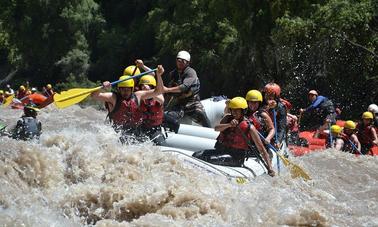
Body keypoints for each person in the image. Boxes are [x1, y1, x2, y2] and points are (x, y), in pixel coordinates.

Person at [192, 97, 275, 176]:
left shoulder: (250, 127)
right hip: (221, 150)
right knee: (196, 154)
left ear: (243, 111)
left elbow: (261, 148)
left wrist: (270, 168)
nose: (234, 112)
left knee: (207, 159)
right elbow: (216, 128)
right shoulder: (227, 118)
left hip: (236, 157)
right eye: (232, 110)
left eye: (237, 110)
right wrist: (229, 125)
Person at [136, 51, 211, 132]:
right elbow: (157, 74)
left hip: (192, 103)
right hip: (179, 104)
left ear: (188, 63)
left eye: (183, 61)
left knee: (201, 113)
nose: (180, 63)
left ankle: (210, 130)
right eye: (179, 60)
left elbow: (184, 87)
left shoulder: (191, 72)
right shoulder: (173, 74)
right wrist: (142, 66)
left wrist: (167, 89)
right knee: (169, 116)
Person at [91, 65, 165, 144]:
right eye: (123, 89)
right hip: (117, 134)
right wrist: (102, 87)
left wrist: (159, 75)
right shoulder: (113, 97)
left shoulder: (138, 95)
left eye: (128, 89)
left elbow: (159, 91)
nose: (125, 92)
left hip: (136, 133)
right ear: (119, 89)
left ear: (132, 89)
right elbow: (94, 95)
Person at [263, 83, 287, 148]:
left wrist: (278, 140)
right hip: (264, 132)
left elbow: (281, 127)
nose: (268, 96)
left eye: (271, 94)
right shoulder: (261, 103)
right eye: (266, 94)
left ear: (276, 96)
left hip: (276, 134)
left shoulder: (281, 107)